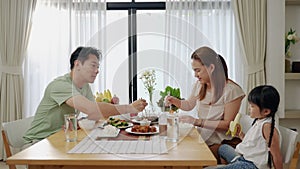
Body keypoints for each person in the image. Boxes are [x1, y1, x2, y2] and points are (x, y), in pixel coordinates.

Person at [23, 46, 147, 144]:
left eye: (98, 67)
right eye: (93, 65)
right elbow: (93, 109)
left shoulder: (84, 86)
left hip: (61, 136)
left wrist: (79, 122)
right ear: (77, 64)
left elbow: (94, 114)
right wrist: (129, 108)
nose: (97, 70)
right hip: (39, 142)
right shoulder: (60, 85)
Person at [165, 46, 245, 163]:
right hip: (202, 139)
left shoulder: (231, 90)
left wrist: (197, 122)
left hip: (220, 144)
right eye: (194, 70)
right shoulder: (200, 85)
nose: (195, 75)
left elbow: (228, 125)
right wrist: (174, 100)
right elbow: (188, 105)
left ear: (211, 68)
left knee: (182, 157)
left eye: (198, 70)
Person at [217, 85, 283, 169]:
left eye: (252, 106)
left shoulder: (267, 127)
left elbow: (276, 155)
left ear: (266, 111)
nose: (249, 108)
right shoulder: (258, 120)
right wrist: (241, 135)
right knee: (223, 148)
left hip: (251, 165)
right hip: (243, 158)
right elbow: (253, 144)